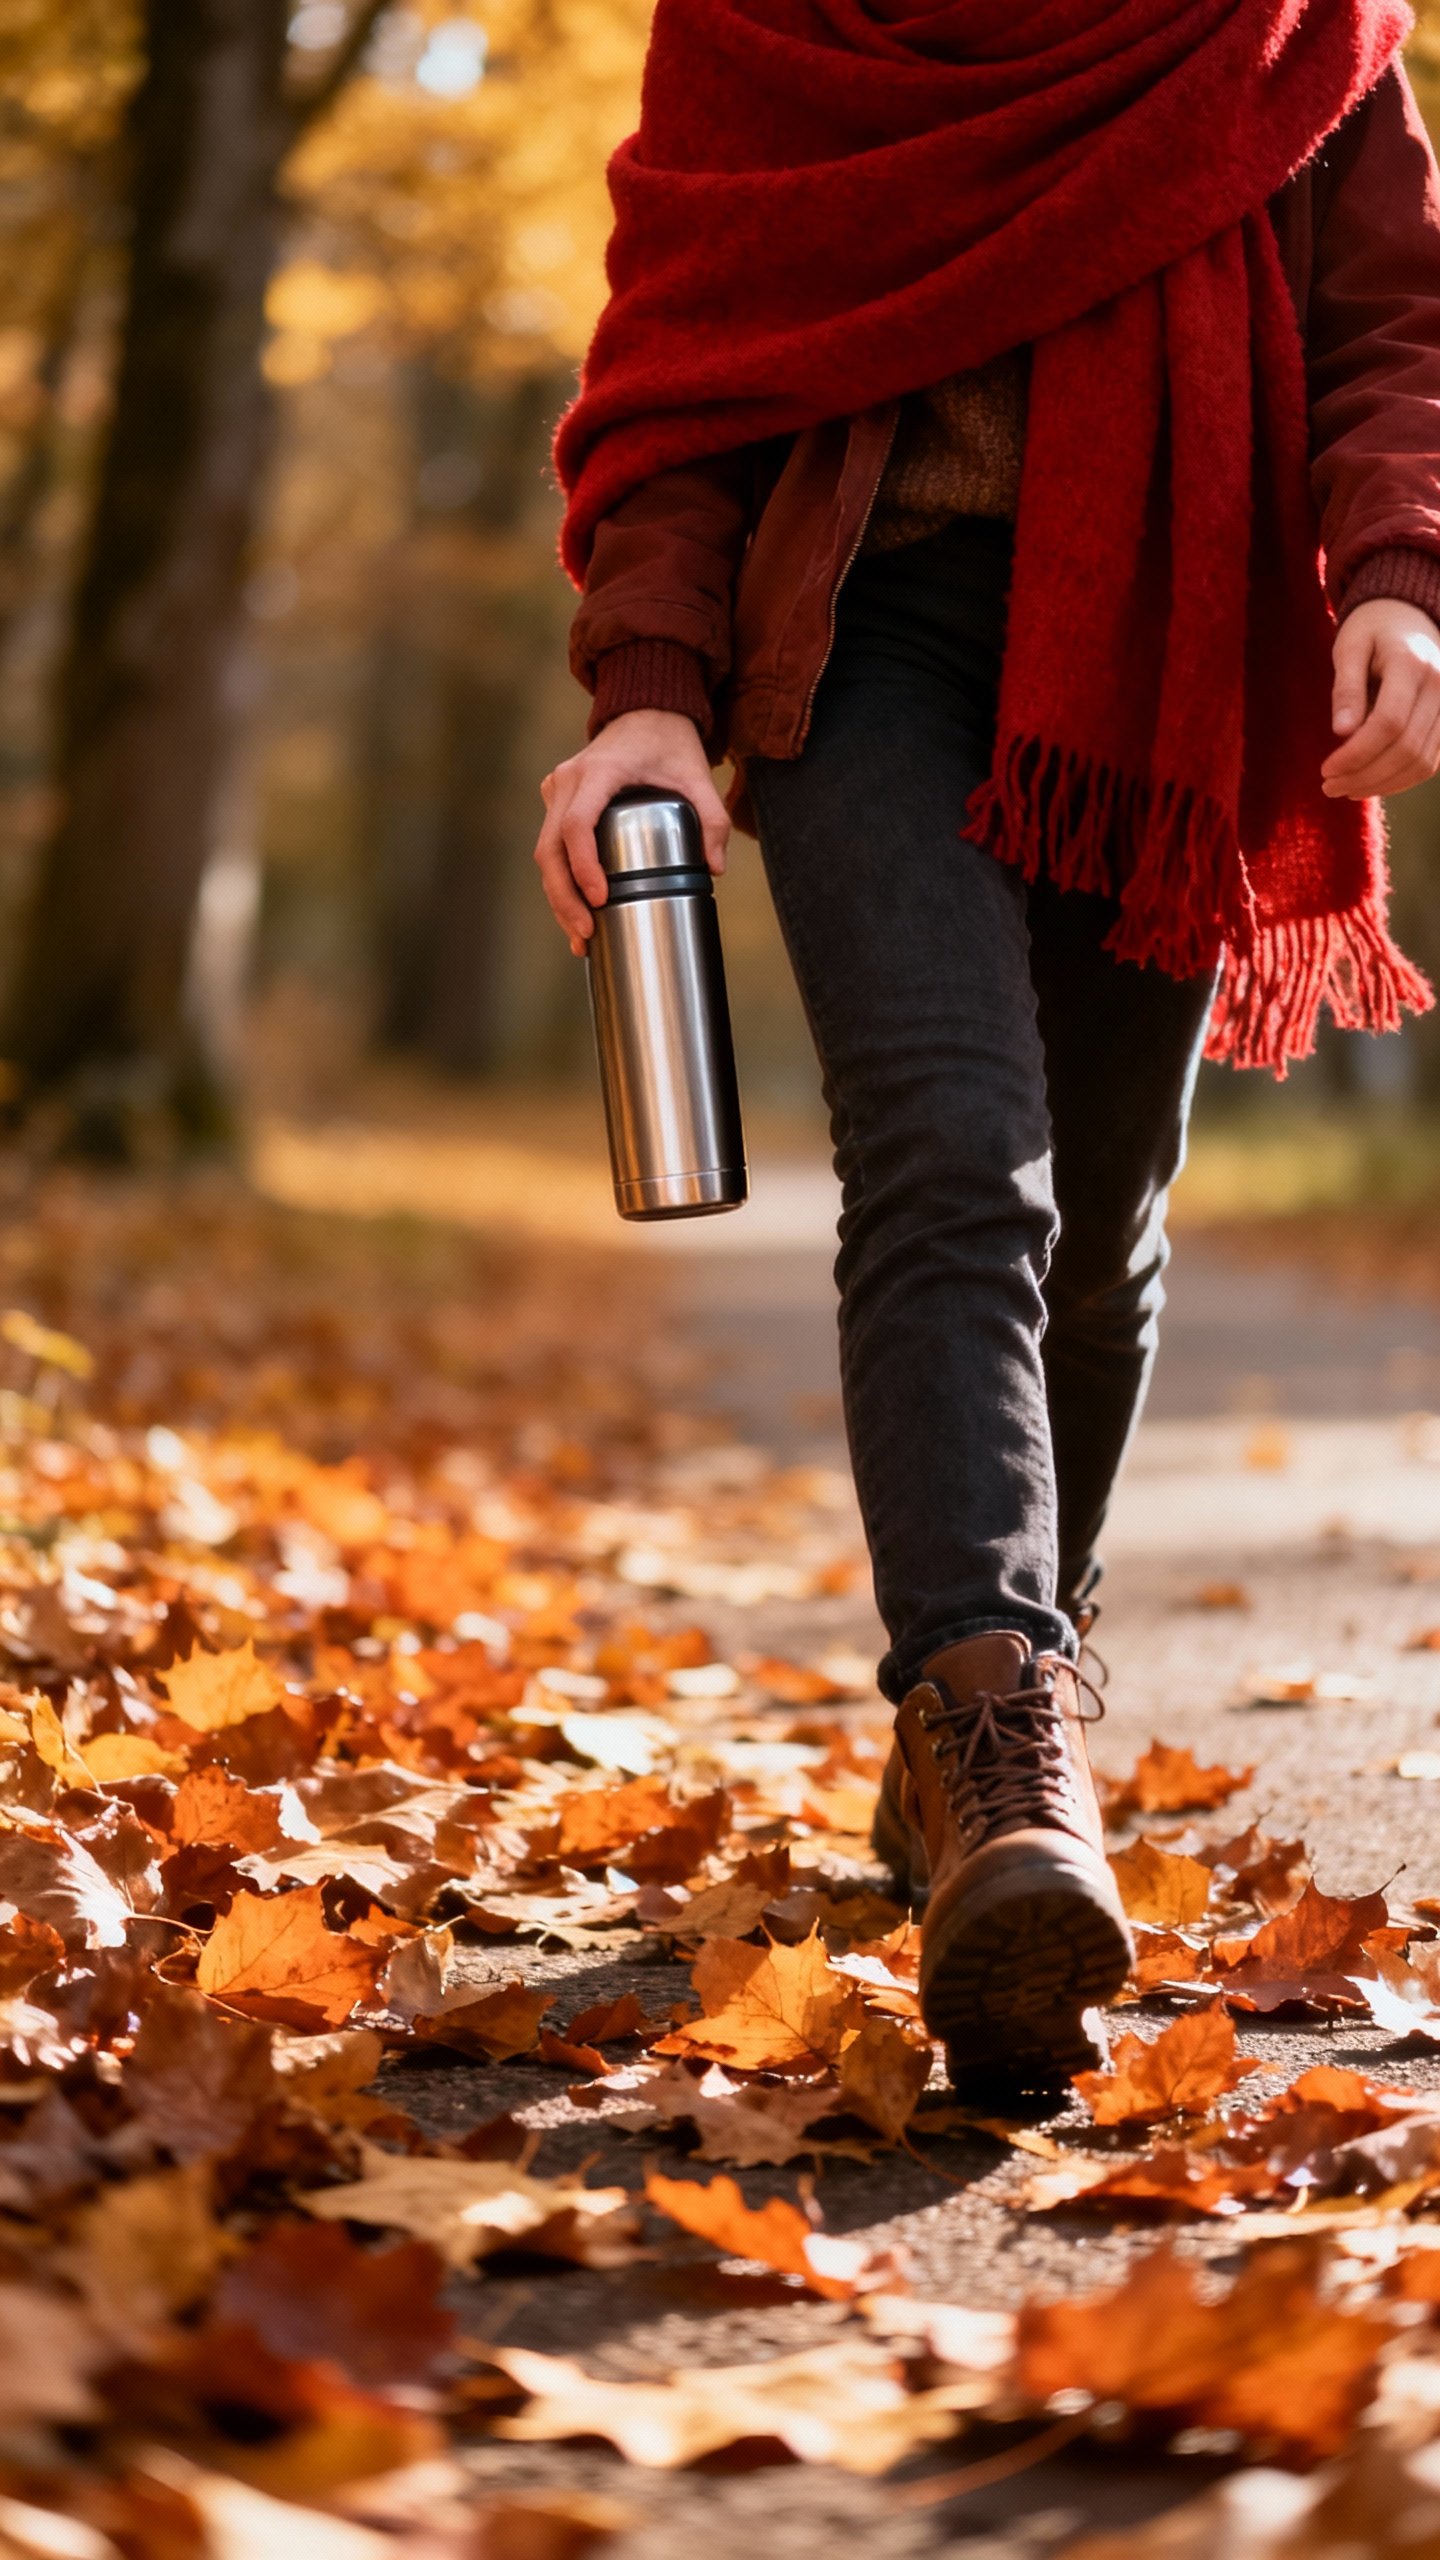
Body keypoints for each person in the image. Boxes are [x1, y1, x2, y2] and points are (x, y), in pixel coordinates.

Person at [535, 0, 1440, 2095]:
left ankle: (992, 1688)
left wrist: (1398, 567)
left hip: (1169, 639)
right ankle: (999, 1737)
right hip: (866, 635)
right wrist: (648, 688)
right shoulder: (772, 24)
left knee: (1100, 1226)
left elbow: (1394, 322)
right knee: (956, 1152)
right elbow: (683, 362)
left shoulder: (1286, 26)